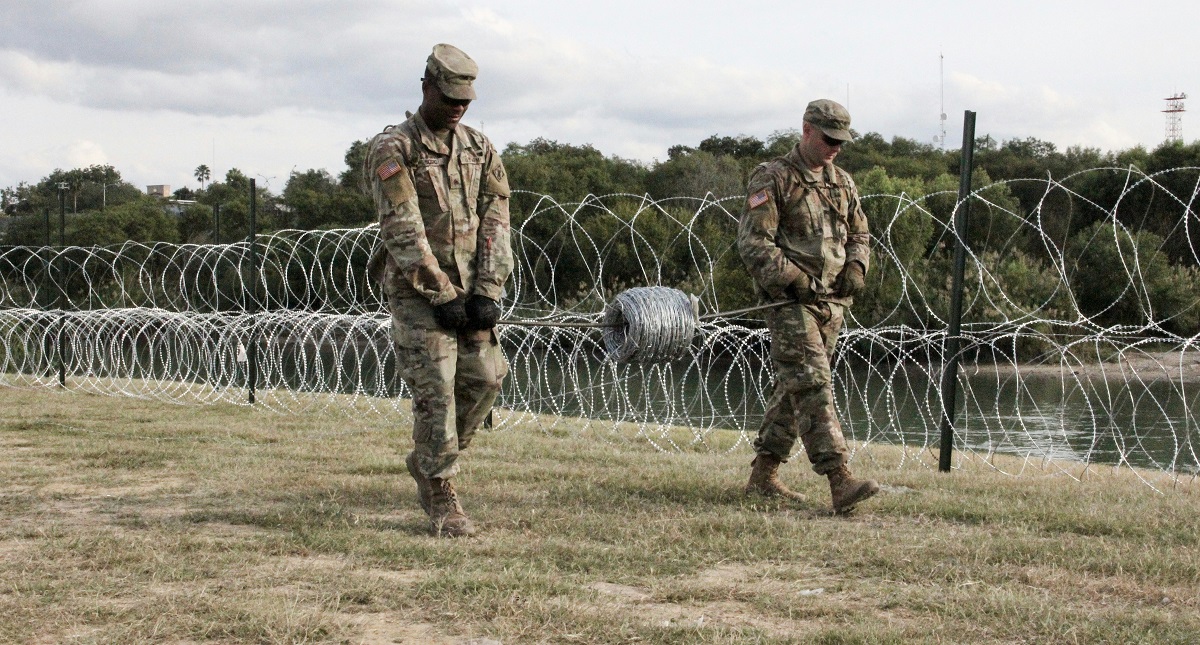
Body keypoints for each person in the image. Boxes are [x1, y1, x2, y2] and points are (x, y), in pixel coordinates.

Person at [363, 43, 513, 537]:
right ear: (426, 86)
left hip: (471, 292)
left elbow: (497, 218)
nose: (458, 107)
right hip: (418, 294)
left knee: (487, 379)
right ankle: (442, 491)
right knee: (437, 393)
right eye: (450, 97)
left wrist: (488, 288)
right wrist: (440, 292)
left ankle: (430, 459)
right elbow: (402, 229)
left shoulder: (479, 147)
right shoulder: (395, 148)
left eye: (466, 100)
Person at [736, 99, 880, 514]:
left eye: (841, 141)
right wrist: (795, 280)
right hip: (790, 303)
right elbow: (753, 243)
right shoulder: (775, 178)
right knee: (813, 383)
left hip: (832, 303)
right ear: (806, 131)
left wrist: (856, 266)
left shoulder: (842, 183)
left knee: (793, 389)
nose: (835, 147)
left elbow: (860, 233)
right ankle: (840, 479)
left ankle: (762, 476)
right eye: (828, 139)